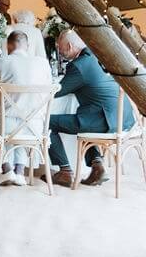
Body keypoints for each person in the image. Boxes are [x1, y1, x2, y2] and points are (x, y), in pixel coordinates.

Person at [47, 30, 133, 186]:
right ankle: (96, 165)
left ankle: (65, 172)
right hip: (122, 118)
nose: (59, 51)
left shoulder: (79, 65)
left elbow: (56, 92)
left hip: (103, 119)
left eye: (60, 47)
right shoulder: (93, 57)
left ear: (70, 46)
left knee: (46, 123)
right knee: (83, 123)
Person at [0, 30, 51, 186]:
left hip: (6, 125)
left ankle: (7, 169)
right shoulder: (43, 64)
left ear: (8, 45)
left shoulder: (0, 62)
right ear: (27, 46)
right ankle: (20, 172)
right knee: (19, 129)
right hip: (35, 127)